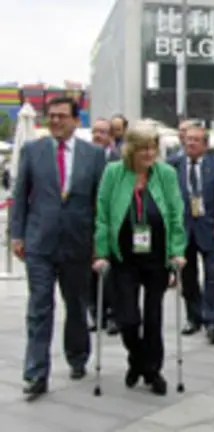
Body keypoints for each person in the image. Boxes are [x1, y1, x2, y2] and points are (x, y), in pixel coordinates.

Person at [11, 97, 107, 400]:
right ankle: (36, 373)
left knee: (76, 304)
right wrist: (17, 234)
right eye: (51, 116)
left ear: (75, 121)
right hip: (40, 241)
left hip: (77, 242)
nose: (55, 121)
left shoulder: (93, 156)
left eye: (61, 117)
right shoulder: (33, 151)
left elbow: (99, 203)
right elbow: (21, 195)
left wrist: (99, 243)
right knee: (39, 307)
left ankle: (77, 355)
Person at [92, 123, 187, 396]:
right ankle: (138, 360)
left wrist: (177, 251)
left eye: (152, 148)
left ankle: (152, 370)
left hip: (157, 257)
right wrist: (100, 253)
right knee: (128, 319)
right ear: (131, 149)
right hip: (124, 257)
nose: (149, 153)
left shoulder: (166, 174)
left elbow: (175, 214)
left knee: (154, 316)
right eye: (143, 148)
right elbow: (102, 215)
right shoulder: (114, 173)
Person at [172, 125, 214, 343]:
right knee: (188, 277)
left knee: (212, 277)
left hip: (209, 228)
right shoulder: (173, 166)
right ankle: (194, 317)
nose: (191, 143)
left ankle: (213, 321)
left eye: (196, 140)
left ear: (206, 144)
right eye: (188, 139)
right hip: (184, 228)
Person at [89, 118, 122, 336]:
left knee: (113, 272)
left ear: (111, 136)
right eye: (95, 132)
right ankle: (95, 313)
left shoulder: (118, 159)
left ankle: (113, 315)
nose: (98, 136)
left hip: (112, 222)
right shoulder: (84, 157)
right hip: (88, 222)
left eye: (103, 132)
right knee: (89, 272)